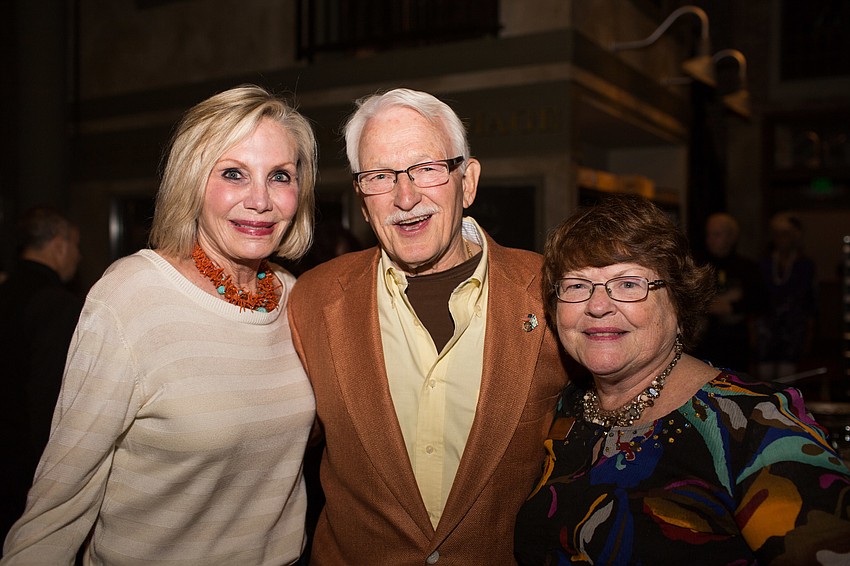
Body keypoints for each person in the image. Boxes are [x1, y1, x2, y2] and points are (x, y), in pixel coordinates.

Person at [2, 84, 317, 565]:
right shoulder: (131, 296)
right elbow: (61, 499)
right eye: (234, 173)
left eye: (280, 176)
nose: (260, 200)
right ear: (191, 181)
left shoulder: (295, 297)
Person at [288, 87, 569, 564]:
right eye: (379, 176)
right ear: (361, 199)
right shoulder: (311, 299)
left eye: (426, 169)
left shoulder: (552, 293)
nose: (405, 196)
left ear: (468, 181)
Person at [514, 194, 850, 565]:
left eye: (628, 283)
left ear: (678, 301)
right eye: (577, 285)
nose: (597, 305)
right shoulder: (561, 407)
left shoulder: (755, 426)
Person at [0, 206, 83, 541]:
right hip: (26, 463)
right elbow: (51, 394)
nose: (78, 256)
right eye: (76, 245)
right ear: (59, 245)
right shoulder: (55, 303)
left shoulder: (6, 291)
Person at [693, 212, 766, 372]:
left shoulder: (747, 268)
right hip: (704, 344)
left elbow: (760, 301)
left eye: (717, 234)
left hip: (735, 344)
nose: (711, 239)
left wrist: (732, 306)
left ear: (731, 237)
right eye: (709, 234)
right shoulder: (697, 266)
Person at [756, 211, 818, 381]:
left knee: (787, 375)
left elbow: (810, 299)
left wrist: (809, 330)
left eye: (785, 234)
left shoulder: (804, 265)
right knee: (765, 374)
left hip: (793, 326)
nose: (781, 239)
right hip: (768, 326)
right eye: (776, 234)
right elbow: (757, 296)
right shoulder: (765, 263)